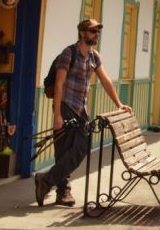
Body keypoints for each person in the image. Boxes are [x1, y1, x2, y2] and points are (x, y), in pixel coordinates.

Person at [35, 19, 132, 207]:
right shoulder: (68, 53)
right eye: (92, 31)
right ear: (82, 33)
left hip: (81, 110)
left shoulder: (94, 57)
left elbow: (105, 81)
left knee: (80, 150)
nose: (96, 34)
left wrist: (119, 103)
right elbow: (59, 84)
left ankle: (45, 179)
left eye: (97, 31)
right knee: (63, 151)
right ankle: (63, 192)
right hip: (65, 106)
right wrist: (57, 114)